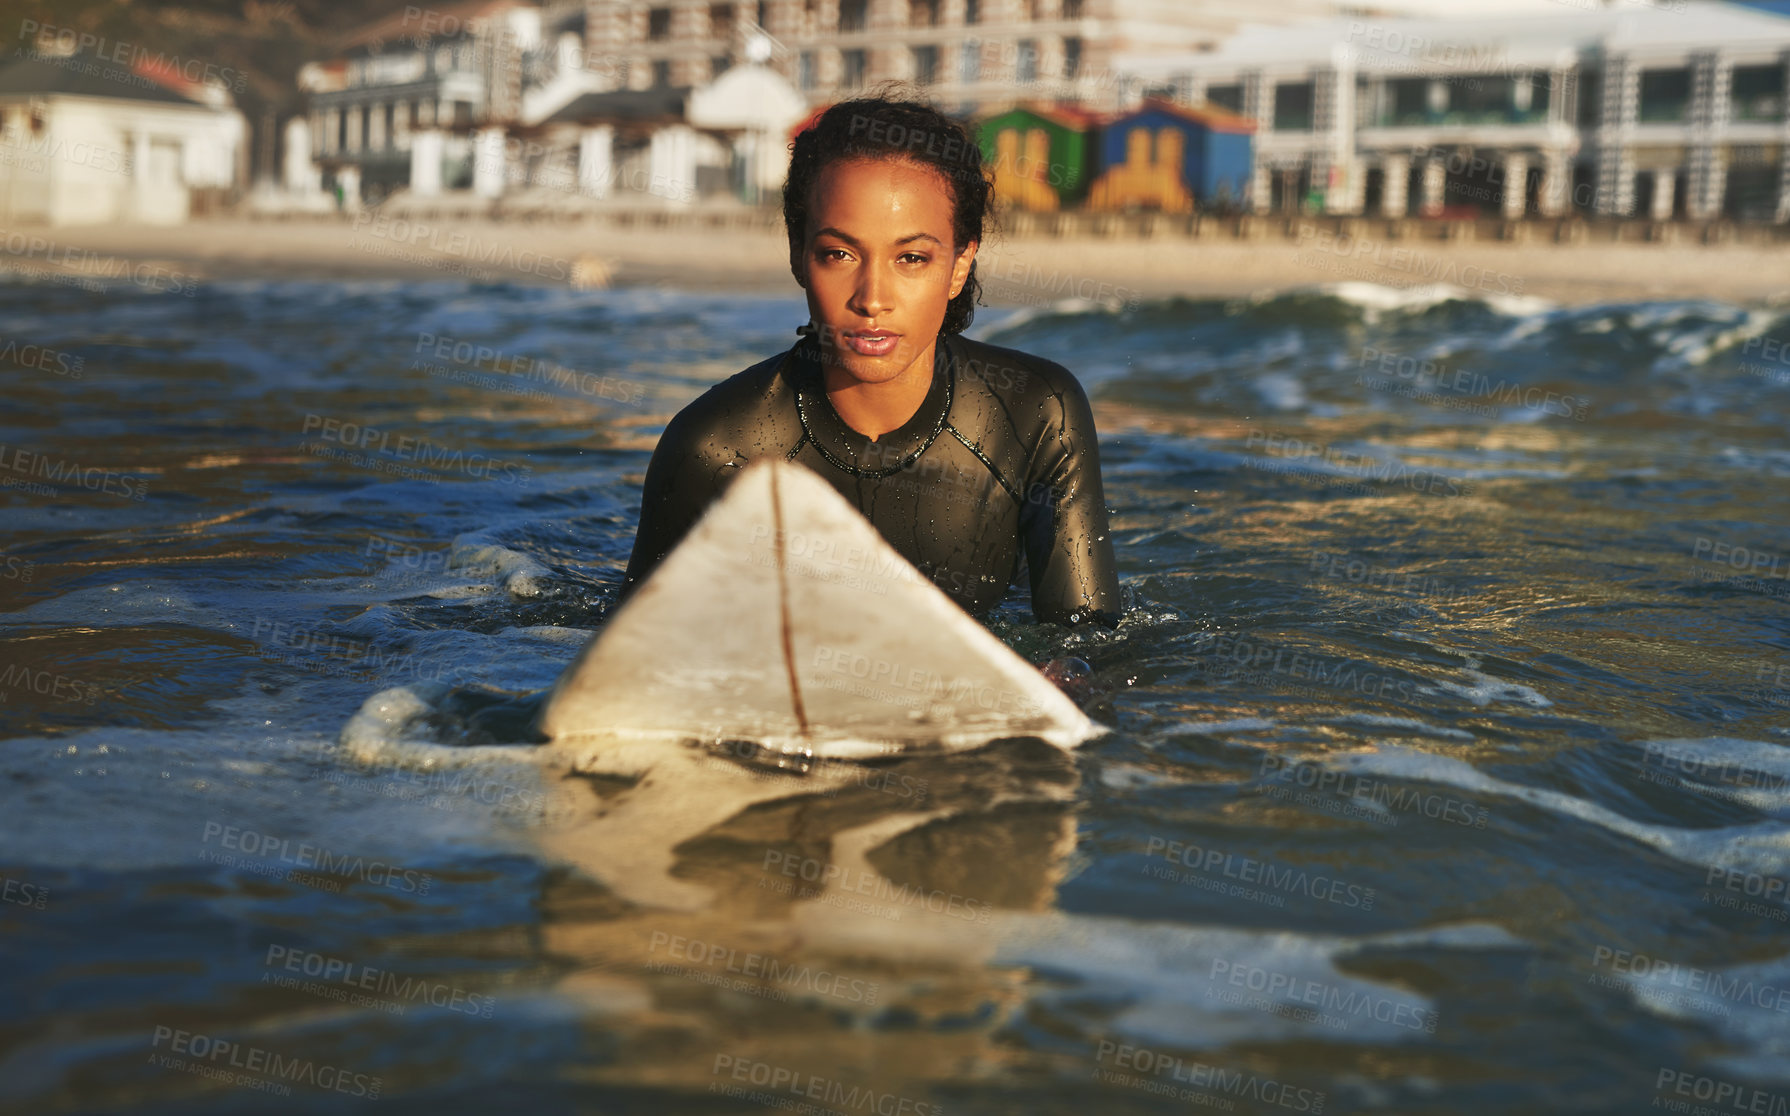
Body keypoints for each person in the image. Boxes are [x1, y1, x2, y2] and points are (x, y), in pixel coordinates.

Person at [622, 88, 1121, 633]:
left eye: (912, 258)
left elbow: (1087, 643)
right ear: (797, 253)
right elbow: (641, 653)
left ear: (959, 265)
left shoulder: (1036, 414)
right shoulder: (715, 448)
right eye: (839, 254)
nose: (872, 297)